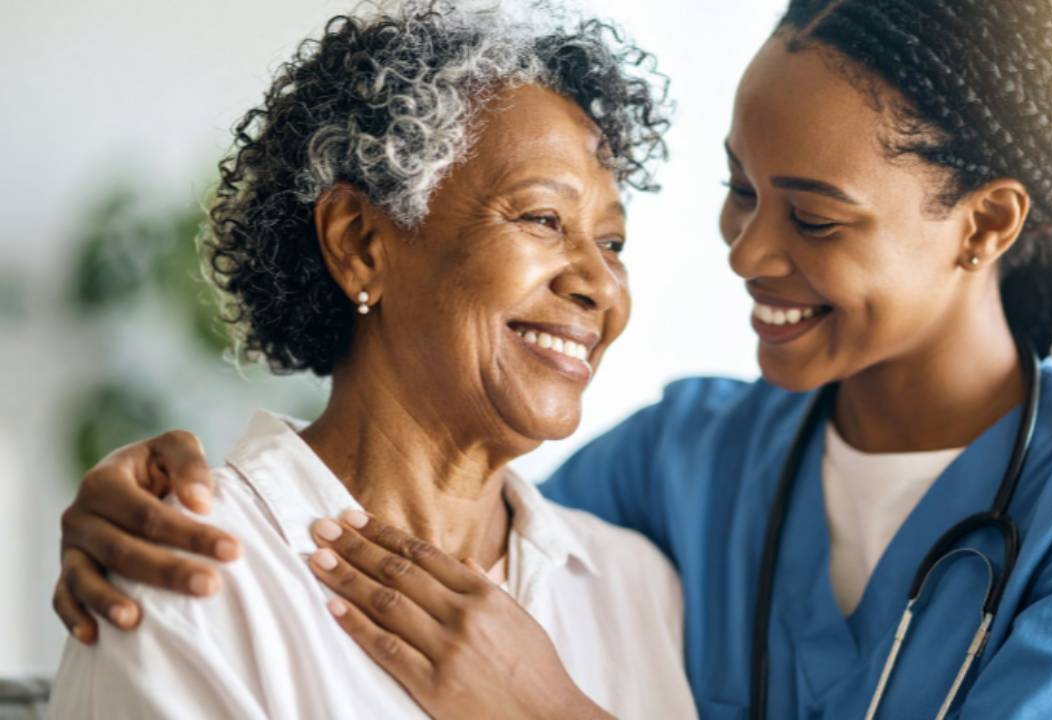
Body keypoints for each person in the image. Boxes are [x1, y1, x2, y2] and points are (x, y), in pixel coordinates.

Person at [53, 0, 1052, 717]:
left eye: (811, 217)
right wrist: (135, 504)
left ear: (982, 227)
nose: (745, 251)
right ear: (361, 238)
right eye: (735, 189)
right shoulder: (688, 471)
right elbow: (442, 488)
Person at [48, 3, 697, 718]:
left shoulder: (639, 588)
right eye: (543, 219)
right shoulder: (184, 578)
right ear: (359, 242)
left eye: (613, 244)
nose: (600, 284)